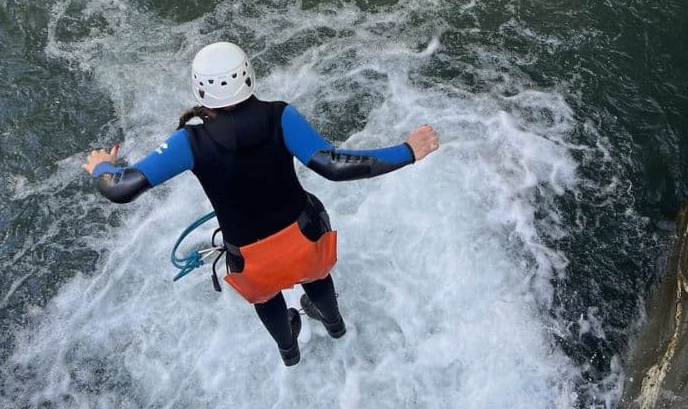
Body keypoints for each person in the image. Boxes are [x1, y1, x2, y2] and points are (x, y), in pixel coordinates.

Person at [82, 41, 439, 366]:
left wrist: (102, 166)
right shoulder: (279, 116)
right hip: (305, 235)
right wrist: (407, 151)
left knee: (268, 299)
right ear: (248, 75)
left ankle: (290, 351)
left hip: (251, 259)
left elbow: (119, 188)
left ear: (199, 86)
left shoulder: (189, 141)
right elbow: (332, 164)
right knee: (316, 277)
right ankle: (335, 326)